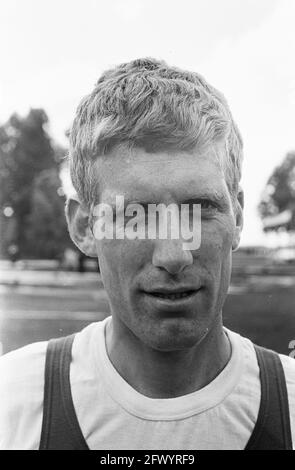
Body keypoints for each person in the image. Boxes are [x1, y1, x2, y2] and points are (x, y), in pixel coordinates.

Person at [0, 58, 294, 450]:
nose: (174, 255)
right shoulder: (14, 405)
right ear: (85, 227)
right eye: (135, 217)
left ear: (237, 217)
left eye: (201, 209)